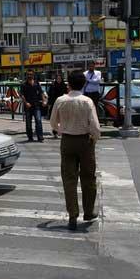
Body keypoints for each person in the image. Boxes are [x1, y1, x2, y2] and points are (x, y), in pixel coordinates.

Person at [50, 70, 101, 231]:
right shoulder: (87, 101)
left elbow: (52, 122)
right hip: (85, 141)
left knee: (69, 179)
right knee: (88, 178)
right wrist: (94, 138)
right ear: (84, 84)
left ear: (68, 84)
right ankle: (88, 212)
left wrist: (60, 130)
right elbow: (95, 127)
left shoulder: (60, 100)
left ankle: (73, 215)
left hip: (67, 141)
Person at [20, 70, 47, 143]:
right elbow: (22, 95)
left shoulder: (36, 83)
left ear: (33, 75)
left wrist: (44, 100)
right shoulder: (23, 84)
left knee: (38, 121)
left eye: (31, 74)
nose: (29, 76)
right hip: (28, 106)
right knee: (28, 123)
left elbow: (41, 93)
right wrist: (26, 103)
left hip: (36, 105)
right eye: (28, 74)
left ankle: (40, 137)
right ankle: (30, 137)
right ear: (26, 75)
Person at [48, 74, 68, 139]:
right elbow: (50, 94)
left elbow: (66, 94)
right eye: (57, 79)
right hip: (55, 103)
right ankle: (55, 131)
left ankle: (61, 131)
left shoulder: (64, 86)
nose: (58, 80)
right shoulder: (53, 85)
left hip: (62, 104)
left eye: (60, 78)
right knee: (55, 118)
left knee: (62, 118)